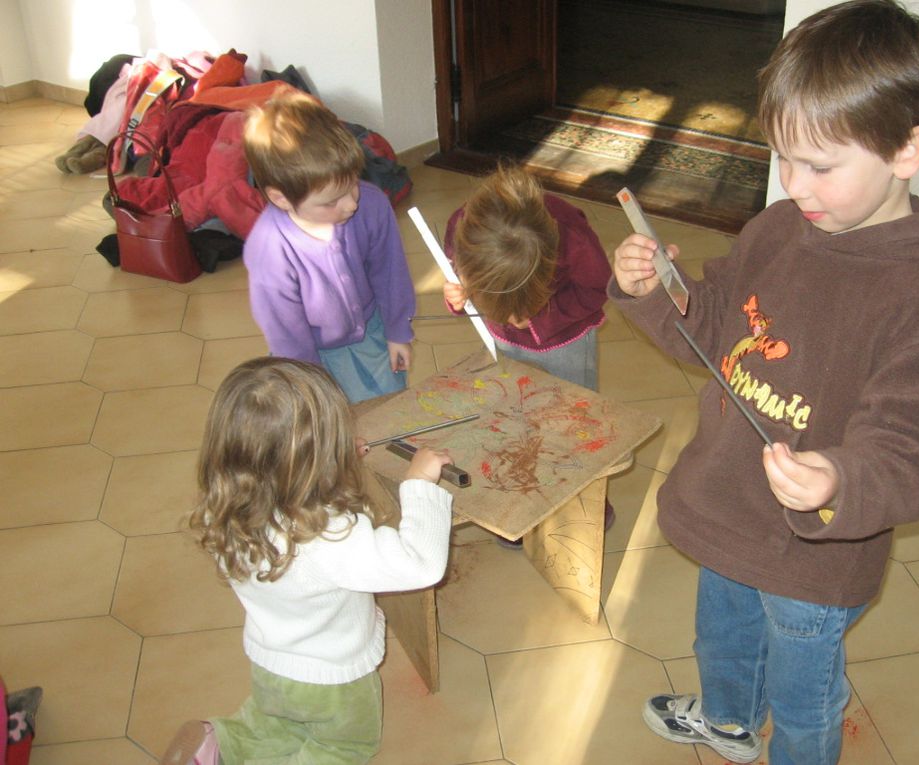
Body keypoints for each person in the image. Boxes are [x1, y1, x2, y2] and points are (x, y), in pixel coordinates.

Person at [610, 2, 919, 763]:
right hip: (729, 504)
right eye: (782, 157)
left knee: (806, 701)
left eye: (820, 165)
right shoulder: (779, 229)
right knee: (723, 636)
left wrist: (837, 476)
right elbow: (714, 326)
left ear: (908, 150)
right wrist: (659, 287)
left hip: (815, 555)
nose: (794, 184)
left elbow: (911, 454)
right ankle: (728, 721)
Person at [160, 357, 453, 765]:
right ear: (313, 459)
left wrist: (331, 460)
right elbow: (421, 563)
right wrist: (420, 485)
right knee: (343, 748)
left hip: (270, 663)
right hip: (334, 680)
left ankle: (219, 745)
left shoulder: (224, 510)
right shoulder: (330, 535)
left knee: (272, 724)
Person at [442, 163, 615, 545]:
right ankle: (522, 507)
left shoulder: (573, 236)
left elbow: (597, 290)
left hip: (565, 342)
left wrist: (541, 317)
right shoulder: (462, 229)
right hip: (503, 342)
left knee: (570, 424)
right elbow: (457, 276)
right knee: (513, 420)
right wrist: (459, 296)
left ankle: (587, 501)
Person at [243, 91, 416, 404]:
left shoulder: (372, 203)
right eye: (332, 201)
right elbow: (286, 333)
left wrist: (397, 330)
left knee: (391, 408)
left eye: (352, 182)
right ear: (281, 198)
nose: (352, 203)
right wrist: (312, 385)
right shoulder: (269, 249)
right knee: (332, 428)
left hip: (374, 331)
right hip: (310, 352)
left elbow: (390, 273)